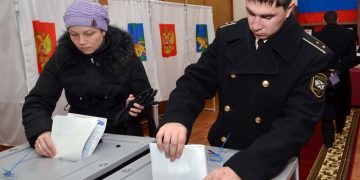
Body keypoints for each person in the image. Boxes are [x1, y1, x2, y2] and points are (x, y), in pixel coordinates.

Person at [155, 0, 333, 179]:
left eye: (267, 17)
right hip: (221, 149)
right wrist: (176, 117)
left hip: (267, 159)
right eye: (250, 13)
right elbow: (195, 81)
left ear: (289, 9)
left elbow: (296, 125)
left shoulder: (312, 55)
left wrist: (244, 168)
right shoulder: (228, 35)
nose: (255, 25)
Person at [22, 0, 154, 158]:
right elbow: (37, 101)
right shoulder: (61, 58)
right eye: (73, 34)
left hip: (123, 137)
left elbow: (146, 100)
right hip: (78, 140)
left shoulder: (126, 56)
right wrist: (41, 131)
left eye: (89, 33)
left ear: (103, 31)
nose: (81, 41)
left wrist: (134, 107)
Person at [313, 10, 357, 147]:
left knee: (325, 103)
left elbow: (314, 59)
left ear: (323, 21)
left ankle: (328, 140)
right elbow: (351, 58)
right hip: (339, 75)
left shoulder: (316, 36)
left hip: (322, 76)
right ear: (338, 20)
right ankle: (340, 127)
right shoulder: (349, 34)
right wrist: (337, 71)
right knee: (341, 100)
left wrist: (328, 70)